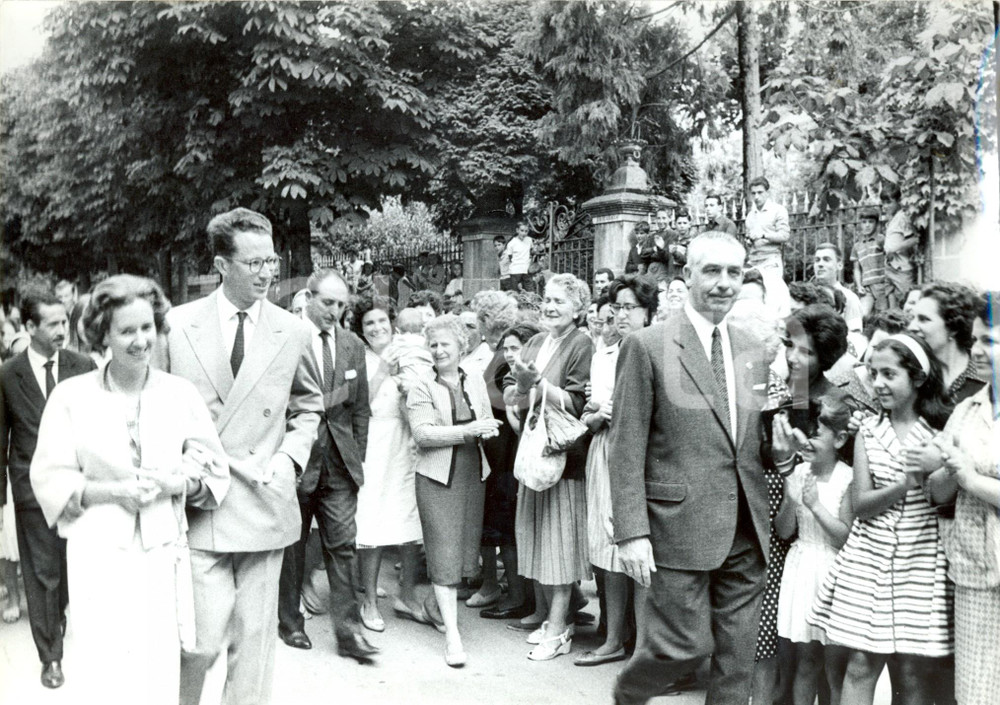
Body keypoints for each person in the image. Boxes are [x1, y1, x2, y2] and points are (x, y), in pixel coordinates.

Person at [30, 275, 229, 705]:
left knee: (159, 667)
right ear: (102, 334)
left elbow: (212, 468)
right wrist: (112, 492)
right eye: (127, 331)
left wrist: (179, 482)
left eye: (147, 328)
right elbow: (48, 477)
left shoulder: (180, 394)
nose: (141, 341)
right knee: (106, 666)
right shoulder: (71, 397)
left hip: (162, 552)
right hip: (97, 550)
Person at [164, 208, 324, 705]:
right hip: (199, 504)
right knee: (200, 641)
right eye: (253, 263)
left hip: (263, 499)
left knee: (254, 645)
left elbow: (308, 405)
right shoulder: (176, 325)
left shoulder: (292, 330)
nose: (266, 273)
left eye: (270, 260)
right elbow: (154, 407)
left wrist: (289, 460)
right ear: (221, 265)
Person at [608, 231, 772, 705]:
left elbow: (752, 441)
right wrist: (631, 532)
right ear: (687, 275)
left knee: (737, 661)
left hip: (746, 528)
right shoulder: (647, 345)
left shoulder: (755, 348)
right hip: (675, 528)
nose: (724, 283)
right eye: (712, 271)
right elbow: (625, 447)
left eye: (734, 273)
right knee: (683, 648)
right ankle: (629, 694)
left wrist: (780, 452)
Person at [808, 334, 953, 705]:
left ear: (918, 378)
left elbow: (941, 499)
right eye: (874, 374)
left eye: (889, 374)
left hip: (920, 561)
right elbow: (862, 503)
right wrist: (906, 483)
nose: (878, 384)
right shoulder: (869, 431)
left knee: (911, 673)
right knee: (859, 664)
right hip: (868, 560)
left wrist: (941, 470)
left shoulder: (940, 432)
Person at [0, 291, 96, 688]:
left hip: (80, 488)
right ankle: (50, 657)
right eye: (53, 323)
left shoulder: (84, 366)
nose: (62, 330)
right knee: (42, 574)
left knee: (69, 569)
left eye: (65, 321)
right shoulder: (8, 375)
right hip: (30, 489)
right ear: (29, 327)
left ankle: (57, 615)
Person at [277, 270, 375, 660]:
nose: (334, 311)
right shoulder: (286, 338)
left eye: (341, 305)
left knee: (343, 546)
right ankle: (290, 623)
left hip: (339, 465)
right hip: (297, 460)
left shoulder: (352, 345)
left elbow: (361, 409)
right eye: (328, 303)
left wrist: (357, 454)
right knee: (292, 546)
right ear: (309, 297)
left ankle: (348, 633)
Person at [505, 273, 594, 661]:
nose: (550, 306)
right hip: (533, 450)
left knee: (559, 543)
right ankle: (552, 618)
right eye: (547, 299)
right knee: (536, 536)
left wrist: (537, 384)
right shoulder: (538, 341)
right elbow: (512, 391)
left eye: (559, 301)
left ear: (579, 308)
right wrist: (524, 388)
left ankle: (560, 629)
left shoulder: (581, 343)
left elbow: (577, 404)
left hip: (562, 455)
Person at [406, 315, 500, 666]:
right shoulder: (421, 385)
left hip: (472, 474)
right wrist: (469, 431)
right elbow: (423, 434)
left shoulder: (474, 378)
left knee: (462, 557)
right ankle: (453, 637)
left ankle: (433, 607)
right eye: (433, 344)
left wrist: (486, 429)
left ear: (461, 346)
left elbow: (485, 419)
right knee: (443, 554)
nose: (439, 350)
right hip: (436, 478)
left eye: (446, 343)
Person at [578, 274, 658, 667]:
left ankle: (643, 646)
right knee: (606, 549)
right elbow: (587, 415)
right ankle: (612, 637)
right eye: (618, 307)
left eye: (631, 308)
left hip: (642, 458)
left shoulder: (658, 351)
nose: (622, 315)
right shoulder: (604, 355)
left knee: (638, 551)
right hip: (605, 452)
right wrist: (599, 415)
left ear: (648, 312)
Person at [927, 291, 1000, 705]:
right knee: (976, 691)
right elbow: (937, 494)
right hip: (975, 571)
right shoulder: (967, 410)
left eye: (989, 340)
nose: (977, 350)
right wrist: (950, 472)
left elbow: (969, 482)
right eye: (975, 340)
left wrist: (971, 479)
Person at [351, 295, 426, 633]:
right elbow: (357, 404)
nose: (377, 328)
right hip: (374, 443)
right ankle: (368, 600)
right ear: (362, 330)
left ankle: (407, 595)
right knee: (372, 521)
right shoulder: (358, 358)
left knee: (409, 519)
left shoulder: (408, 351)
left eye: (382, 321)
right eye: (370, 323)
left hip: (405, 441)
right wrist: (383, 371)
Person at [774, 395, 854, 705]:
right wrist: (791, 500)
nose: (807, 442)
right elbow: (783, 530)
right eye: (804, 433)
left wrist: (815, 506)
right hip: (802, 570)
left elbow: (843, 537)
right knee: (806, 663)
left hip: (834, 572)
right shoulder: (797, 473)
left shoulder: (847, 478)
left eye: (817, 434)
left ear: (840, 438)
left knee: (835, 669)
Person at [908, 282, 986, 403]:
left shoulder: (985, 380)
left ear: (953, 328)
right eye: (912, 318)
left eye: (923, 319)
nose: (911, 327)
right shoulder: (912, 378)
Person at [745, 176, 791, 319]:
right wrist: (749, 240)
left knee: (773, 301)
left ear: (767, 192)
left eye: (760, 192)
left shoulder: (778, 210)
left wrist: (763, 234)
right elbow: (750, 237)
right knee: (754, 300)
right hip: (754, 262)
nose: (756, 197)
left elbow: (784, 235)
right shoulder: (750, 215)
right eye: (753, 193)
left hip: (771, 261)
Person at [813, 242, 863, 333]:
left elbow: (855, 337)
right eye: (817, 260)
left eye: (826, 259)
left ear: (839, 265)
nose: (820, 264)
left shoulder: (850, 298)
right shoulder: (809, 295)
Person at [881, 184, 918, 308]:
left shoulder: (903, 217)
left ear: (898, 201)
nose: (885, 206)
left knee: (905, 301)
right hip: (890, 267)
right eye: (883, 203)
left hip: (902, 269)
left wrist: (893, 249)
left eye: (889, 202)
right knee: (891, 302)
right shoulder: (892, 219)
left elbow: (914, 239)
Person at [850, 207, 889, 317]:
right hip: (866, 287)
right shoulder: (857, 246)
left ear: (876, 224)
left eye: (871, 222)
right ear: (860, 224)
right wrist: (858, 286)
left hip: (881, 284)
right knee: (862, 315)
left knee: (883, 315)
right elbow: (856, 268)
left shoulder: (881, 239)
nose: (867, 225)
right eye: (864, 222)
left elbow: (889, 260)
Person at [504, 222, 534, 292]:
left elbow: (531, 252)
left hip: (526, 270)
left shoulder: (529, 240)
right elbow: (510, 257)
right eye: (522, 230)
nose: (524, 233)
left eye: (526, 231)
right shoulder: (511, 243)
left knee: (530, 291)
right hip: (515, 271)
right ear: (517, 230)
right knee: (515, 292)